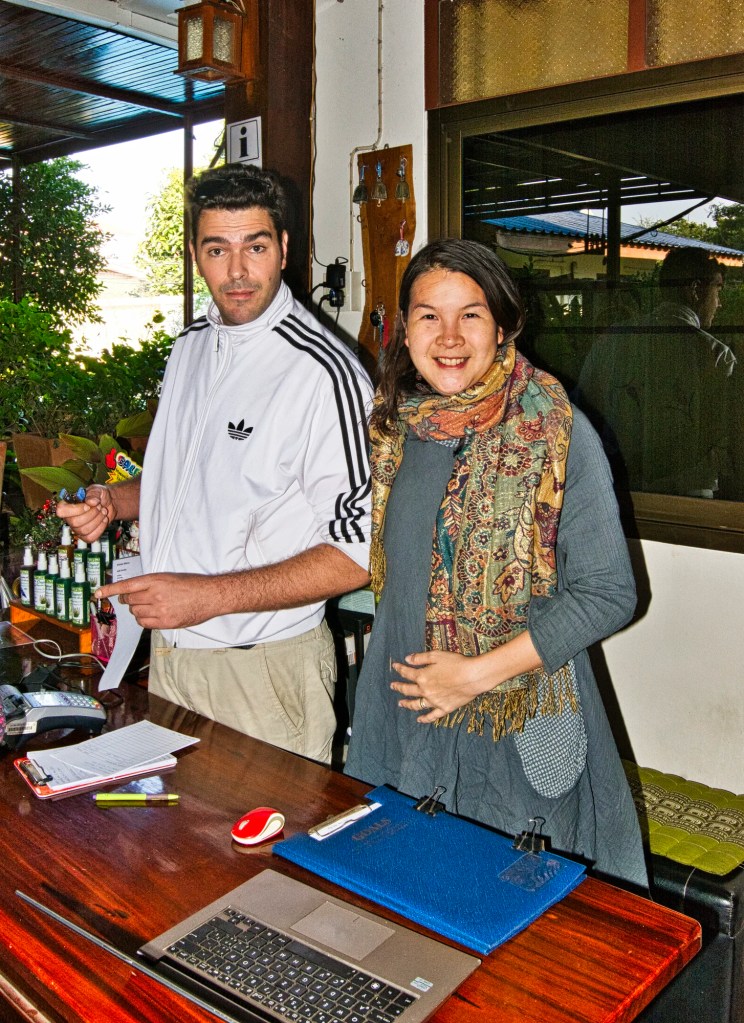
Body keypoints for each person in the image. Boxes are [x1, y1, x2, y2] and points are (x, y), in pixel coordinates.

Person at [344, 238, 648, 889]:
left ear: (503, 325)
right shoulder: (402, 431)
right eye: (429, 315)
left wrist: (475, 676)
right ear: (406, 330)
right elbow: (400, 587)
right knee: (411, 906)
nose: (449, 335)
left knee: (511, 925)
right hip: (407, 725)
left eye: (471, 314)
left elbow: (609, 593)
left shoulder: (556, 430)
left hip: (514, 730)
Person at [58, 164, 372, 763]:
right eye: (217, 249)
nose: (236, 272)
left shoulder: (324, 373)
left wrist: (208, 597)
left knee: (267, 857)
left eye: (255, 246)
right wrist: (115, 501)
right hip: (174, 660)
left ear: (283, 249)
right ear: (196, 255)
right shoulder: (191, 347)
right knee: (178, 852)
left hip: (264, 672)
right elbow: (187, 477)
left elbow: (359, 552)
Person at [576, 246, 736, 497]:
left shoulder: (612, 341)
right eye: (717, 289)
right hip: (690, 499)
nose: (719, 303)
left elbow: (582, 414)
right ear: (695, 290)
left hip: (621, 492)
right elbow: (726, 436)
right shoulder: (714, 354)